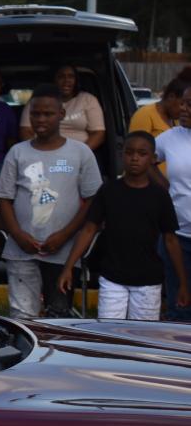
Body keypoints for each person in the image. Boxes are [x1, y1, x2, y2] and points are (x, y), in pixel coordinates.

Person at [58, 131, 188, 321]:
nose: (135, 158)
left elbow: (170, 239)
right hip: (112, 277)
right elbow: (89, 229)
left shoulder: (160, 196)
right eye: (130, 152)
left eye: (142, 154)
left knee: (143, 339)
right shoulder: (109, 191)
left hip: (148, 281)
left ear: (152, 158)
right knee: (109, 332)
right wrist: (68, 267)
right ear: (122, 155)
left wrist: (182, 283)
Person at [0, 85, 103, 319]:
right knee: (22, 315)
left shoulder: (81, 152)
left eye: (48, 114)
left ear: (62, 115)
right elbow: (4, 198)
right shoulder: (17, 152)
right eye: (35, 114)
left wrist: (65, 235)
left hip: (63, 251)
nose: (41, 119)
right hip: (22, 250)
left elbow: (92, 199)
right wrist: (18, 235)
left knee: (59, 315)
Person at [155, 110, 191, 322]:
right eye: (183, 103)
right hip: (177, 237)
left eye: (190, 104)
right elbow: (145, 157)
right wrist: (164, 186)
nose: (184, 108)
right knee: (179, 306)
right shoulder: (170, 137)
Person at [21, 64, 104, 150]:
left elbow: (98, 133)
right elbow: (26, 131)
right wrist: (37, 152)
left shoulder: (88, 99)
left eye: (71, 76)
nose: (66, 80)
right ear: (54, 80)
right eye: (61, 77)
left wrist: (80, 153)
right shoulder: (37, 101)